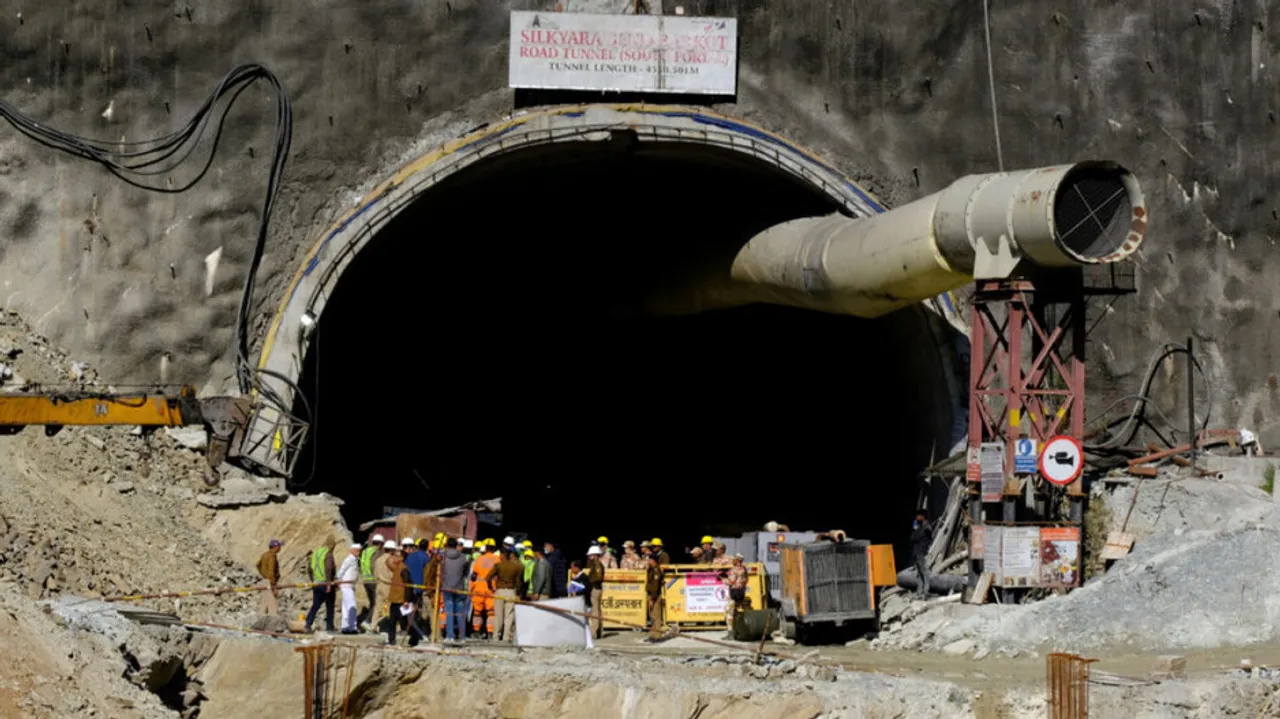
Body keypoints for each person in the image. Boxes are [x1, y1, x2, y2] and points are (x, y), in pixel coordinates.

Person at [386, 548, 423, 646]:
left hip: (401, 600)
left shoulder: (404, 570)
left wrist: (406, 600)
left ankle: (415, 637)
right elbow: (387, 562)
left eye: (396, 556)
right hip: (395, 599)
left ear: (401, 558)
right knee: (392, 621)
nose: (394, 558)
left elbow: (408, 586)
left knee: (404, 623)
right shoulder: (396, 567)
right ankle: (391, 640)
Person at [488, 546, 525, 643]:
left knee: (498, 615)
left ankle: (496, 637)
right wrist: (518, 592)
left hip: (499, 591)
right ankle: (506, 638)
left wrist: (490, 587)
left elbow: (488, 577)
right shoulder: (518, 567)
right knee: (509, 616)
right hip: (511, 591)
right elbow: (519, 582)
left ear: (503, 555)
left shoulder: (498, 566)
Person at [439, 538, 469, 643]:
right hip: (459, 588)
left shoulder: (443, 557)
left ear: (447, 545)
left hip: (446, 587)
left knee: (449, 612)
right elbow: (466, 572)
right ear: (456, 546)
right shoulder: (463, 558)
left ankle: (450, 636)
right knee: (460, 613)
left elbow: (440, 571)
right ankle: (462, 637)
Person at [304, 539, 337, 633]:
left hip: (316, 583)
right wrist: (329, 583)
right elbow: (328, 569)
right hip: (325, 583)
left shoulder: (315, 554)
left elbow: (309, 569)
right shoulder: (328, 554)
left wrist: (313, 580)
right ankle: (329, 627)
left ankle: (308, 624)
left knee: (316, 605)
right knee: (330, 605)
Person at [470, 540, 498, 640]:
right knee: (491, 612)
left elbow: (473, 576)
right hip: (491, 589)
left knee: (477, 612)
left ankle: (477, 631)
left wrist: (471, 589)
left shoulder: (479, 559)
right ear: (494, 548)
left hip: (479, 588)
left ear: (485, 548)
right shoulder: (497, 559)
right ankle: (490, 632)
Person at [358, 534, 383, 629]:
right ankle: (367, 622)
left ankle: (371, 622)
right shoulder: (376, 552)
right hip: (373, 581)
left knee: (372, 602)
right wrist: (377, 577)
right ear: (380, 544)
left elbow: (361, 565)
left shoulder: (365, 551)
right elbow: (373, 566)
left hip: (365, 580)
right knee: (376, 603)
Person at [372, 540, 397, 631]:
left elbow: (375, 574)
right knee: (388, 607)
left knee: (377, 607)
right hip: (388, 585)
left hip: (379, 585)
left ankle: (373, 626)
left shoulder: (378, 560)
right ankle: (385, 626)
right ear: (392, 550)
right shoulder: (391, 560)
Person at [722, 554, 749, 636]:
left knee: (729, 612)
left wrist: (723, 579)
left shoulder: (734, 570)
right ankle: (738, 629)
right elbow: (746, 579)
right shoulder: (744, 569)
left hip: (734, 592)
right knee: (736, 610)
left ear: (736, 560)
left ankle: (730, 632)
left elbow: (731, 581)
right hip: (741, 592)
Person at [255, 539, 283, 615]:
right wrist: (274, 585)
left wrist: (263, 574)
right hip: (270, 581)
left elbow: (258, 565)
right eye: (279, 546)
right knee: (272, 602)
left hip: (265, 580)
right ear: (275, 547)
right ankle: (273, 617)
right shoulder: (272, 556)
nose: (280, 548)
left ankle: (261, 616)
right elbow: (271, 571)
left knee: (265, 601)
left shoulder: (265, 554)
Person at [911, 512, 933, 598]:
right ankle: (920, 591)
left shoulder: (926, 527)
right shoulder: (919, 527)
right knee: (919, 572)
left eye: (919, 516)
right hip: (916, 552)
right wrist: (915, 529)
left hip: (921, 552)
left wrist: (917, 529)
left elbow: (920, 536)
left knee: (924, 571)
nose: (917, 517)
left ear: (923, 517)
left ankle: (926, 590)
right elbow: (912, 539)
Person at [585, 545, 605, 638]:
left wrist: (588, 581)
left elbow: (598, 578)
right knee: (597, 610)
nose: (589, 556)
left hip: (595, 589)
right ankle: (598, 632)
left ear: (596, 555)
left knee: (595, 610)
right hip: (595, 588)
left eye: (591, 555)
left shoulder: (597, 565)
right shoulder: (594, 565)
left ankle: (594, 632)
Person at [645, 554, 664, 640]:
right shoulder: (651, 569)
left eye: (649, 560)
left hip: (655, 595)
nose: (648, 561)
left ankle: (657, 635)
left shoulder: (656, 570)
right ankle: (653, 633)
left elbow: (655, 586)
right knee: (652, 615)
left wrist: (652, 598)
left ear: (653, 560)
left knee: (656, 615)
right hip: (651, 594)